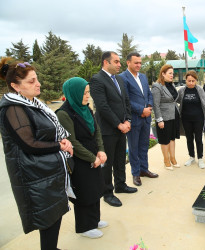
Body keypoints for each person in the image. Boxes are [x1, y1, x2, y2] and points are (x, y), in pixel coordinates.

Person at [0, 57, 73, 250]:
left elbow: (49, 132)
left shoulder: (33, 103)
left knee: (54, 214)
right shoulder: (13, 108)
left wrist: (62, 139)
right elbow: (29, 144)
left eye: (37, 79)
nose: (38, 84)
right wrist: (60, 146)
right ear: (16, 86)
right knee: (47, 218)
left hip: (46, 171)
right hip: (34, 175)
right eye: (31, 81)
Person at [56, 77, 108, 239]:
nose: (88, 96)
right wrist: (92, 158)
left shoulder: (86, 108)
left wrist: (100, 150)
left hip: (93, 154)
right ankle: (85, 227)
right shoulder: (64, 113)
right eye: (85, 93)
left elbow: (96, 131)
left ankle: (94, 219)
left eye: (88, 92)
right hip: (79, 158)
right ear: (75, 93)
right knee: (84, 191)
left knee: (95, 188)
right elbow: (72, 142)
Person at [90, 51, 137, 208]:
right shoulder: (97, 80)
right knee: (107, 162)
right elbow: (103, 106)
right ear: (105, 62)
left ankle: (121, 185)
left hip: (122, 127)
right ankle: (108, 193)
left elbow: (126, 102)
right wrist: (119, 124)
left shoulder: (119, 79)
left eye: (119, 62)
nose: (119, 65)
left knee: (119, 159)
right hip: (107, 130)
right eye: (116, 62)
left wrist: (128, 121)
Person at [119, 52, 158, 187]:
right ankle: (135, 173)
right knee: (133, 147)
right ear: (128, 62)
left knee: (143, 145)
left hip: (146, 118)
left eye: (140, 62)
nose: (139, 65)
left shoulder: (143, 77)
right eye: (136, 62)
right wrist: (141, 110)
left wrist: (149, 106)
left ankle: (144, 169)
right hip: (134, 119)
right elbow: (126, 99)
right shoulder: (122, 78)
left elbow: (148, 94)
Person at [176, 70, 205, 169]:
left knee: (198, 139)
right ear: (185, 80)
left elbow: (204, 106)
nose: (191, 83)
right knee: (189, 139)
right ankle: (191, 157)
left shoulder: (200, 90)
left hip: (198, 119)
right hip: (186, 119)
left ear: (196, 81)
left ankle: (200, 158)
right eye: (189, 80)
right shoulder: (182, 90)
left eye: (193, 81)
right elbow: (176, 100)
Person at [151, 64, 180, 170]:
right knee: (165, 140)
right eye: (170, 73)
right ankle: (166, 160)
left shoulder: (171, 85)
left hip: (174, 116)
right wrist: (159, 120)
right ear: (163, 74)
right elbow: (156, 104)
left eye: (173, 73)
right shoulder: (157, 86)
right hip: (163, 118)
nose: (172, 75)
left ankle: (173, 158)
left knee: (172, 139)